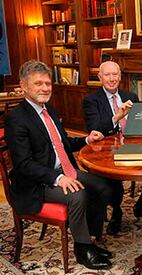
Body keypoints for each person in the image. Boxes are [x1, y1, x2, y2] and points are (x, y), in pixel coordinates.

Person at [5, 60, 113, 269]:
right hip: (36, 182)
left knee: (102, 186)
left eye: (48, 83)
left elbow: (62, 143)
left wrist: (87, 140)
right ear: (23, 86)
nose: (45, 88)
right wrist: (58, 178)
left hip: (63, 169)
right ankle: (82, 249)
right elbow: (23, 164)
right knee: (77, 194)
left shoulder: (50, 111)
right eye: (38, 84)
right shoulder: (16, 119)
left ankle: (90, 238)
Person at [83, 61, 142, 233]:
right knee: (111, 173)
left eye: (115, 75)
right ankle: (116, 212)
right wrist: (117, 116)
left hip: (134, 145)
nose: (112, 79)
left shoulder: (130, 96)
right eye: (108, 75)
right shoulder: (91, 100)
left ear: (120, 76)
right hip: (107, 150)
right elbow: (94, 129)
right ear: (100, 77)